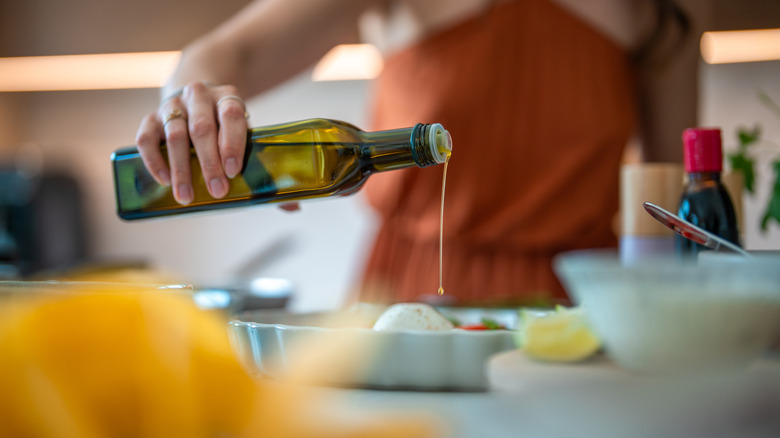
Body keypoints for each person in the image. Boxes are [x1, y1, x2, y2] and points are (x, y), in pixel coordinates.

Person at [135, 0, 705, 306]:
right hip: (406, 299)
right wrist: (193, 105)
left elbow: (673, 206)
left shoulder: (665, 12)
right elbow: (226, 53)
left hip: (577, 306)